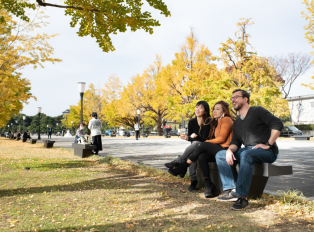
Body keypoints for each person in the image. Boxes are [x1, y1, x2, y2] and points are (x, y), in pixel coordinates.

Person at [215, 89, 283, 211]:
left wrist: (268, 144)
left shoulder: (257, 111)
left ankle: (242, 198)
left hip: (267, 152)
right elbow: (235, 143)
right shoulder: (236, 123)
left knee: (246, 154)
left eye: (236, 97)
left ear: (245, 99)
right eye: (231, 98)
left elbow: (277, 124)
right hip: (248, 150)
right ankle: (233, 190)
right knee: (221, 154)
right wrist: (230, 150)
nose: (233, 100)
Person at [168, 101, 233, 197]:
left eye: (218, 109)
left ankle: (182, 167)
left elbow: (222, 139)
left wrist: (207, 142)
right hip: (218, 148)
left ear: (224, 111)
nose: (214, 111)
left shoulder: (226, 119)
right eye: (214, 109)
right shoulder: (216, 122)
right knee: (202, 156)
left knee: (202, 145)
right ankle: (209, 187)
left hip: (226, 149)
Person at [164, 101, 211, 191]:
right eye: (196, 107)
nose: (197, 109)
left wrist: (190, 138)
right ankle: (193, 181)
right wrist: (187, 137)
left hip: (206, 147)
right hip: (195, 148)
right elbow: (191, 137)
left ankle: (178, 162)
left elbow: (205, 138)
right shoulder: (192, 122)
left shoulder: (208, 121)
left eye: (200, 108)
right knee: (192, 153)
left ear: (205, 111)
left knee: (195, 145)